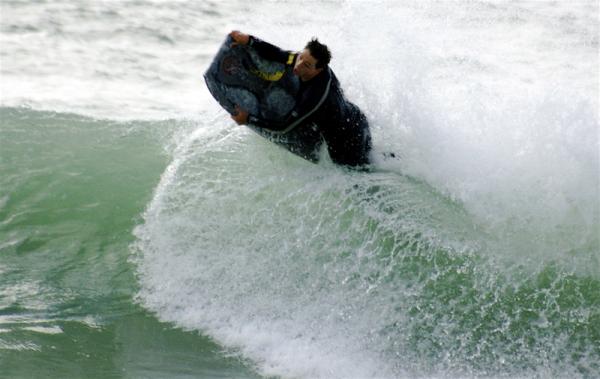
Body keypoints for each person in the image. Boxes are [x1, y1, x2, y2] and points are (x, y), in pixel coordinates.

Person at [228, 30, 372, 168]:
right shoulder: (303, 60)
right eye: (301, 57)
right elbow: (278, 54)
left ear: (319, 70)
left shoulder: (315, 96)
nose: (298, 65)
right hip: (352, 115)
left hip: (346, 139)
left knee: (356, 172)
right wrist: (249, 40)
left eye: (306, 65)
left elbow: (285, 127)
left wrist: (248, 120)